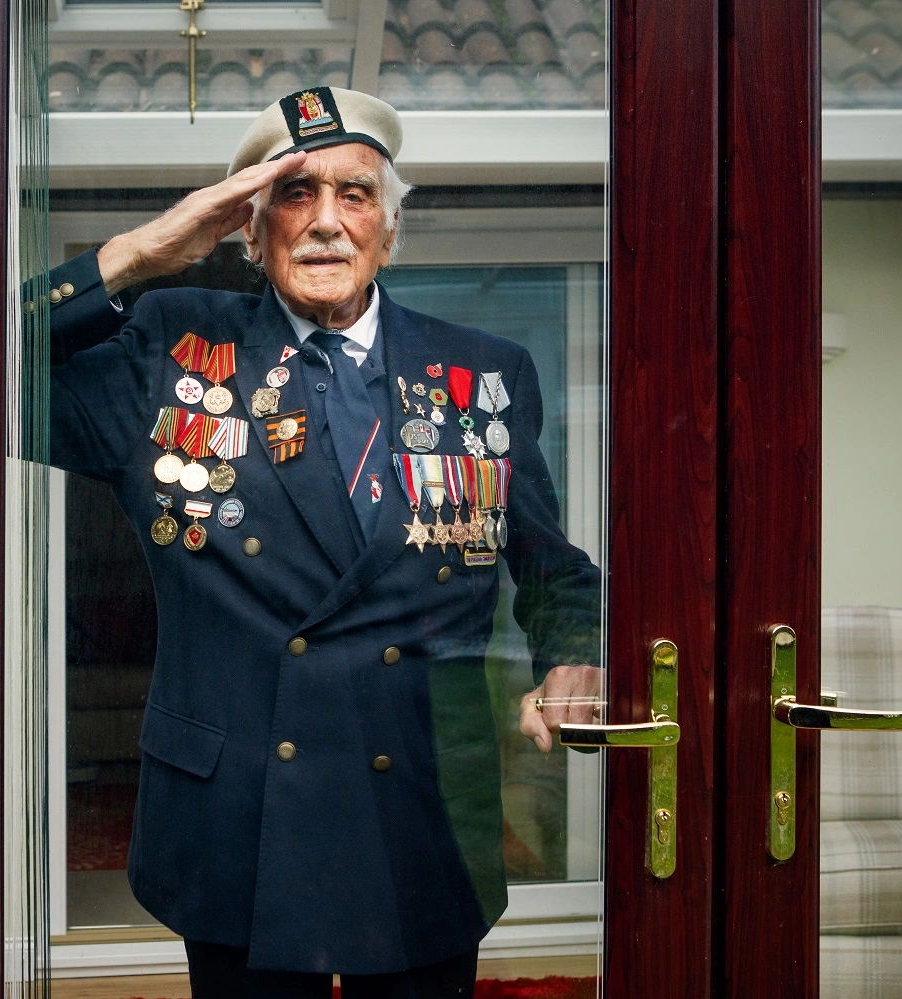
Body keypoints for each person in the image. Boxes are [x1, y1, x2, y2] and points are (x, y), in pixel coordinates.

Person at [40, 87, 602, 998]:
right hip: (240, 818)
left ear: (389, 229)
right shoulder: (168, 348)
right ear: (250, 235)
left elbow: (554, 571)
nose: (328, 223)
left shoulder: (485, 374)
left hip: (420, 807)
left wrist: (574, 654)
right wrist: (148, 248)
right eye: (295, 196)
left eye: (356, 194)